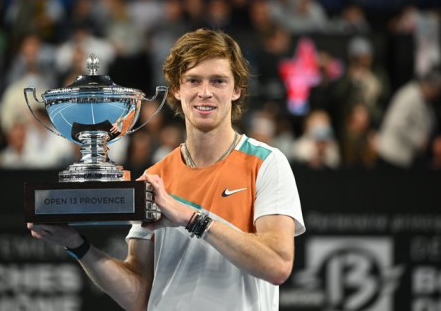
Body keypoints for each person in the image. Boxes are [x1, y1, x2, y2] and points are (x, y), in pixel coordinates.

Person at [27, 28, 305, 311]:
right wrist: (76, 245)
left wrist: (190, 219)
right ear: (176, 88)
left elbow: (278, 265)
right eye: (193, 81)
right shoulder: (155, 176)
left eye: (218, 81)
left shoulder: (267, 163)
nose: (205, 93)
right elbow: (139, 295)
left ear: (237, 90)